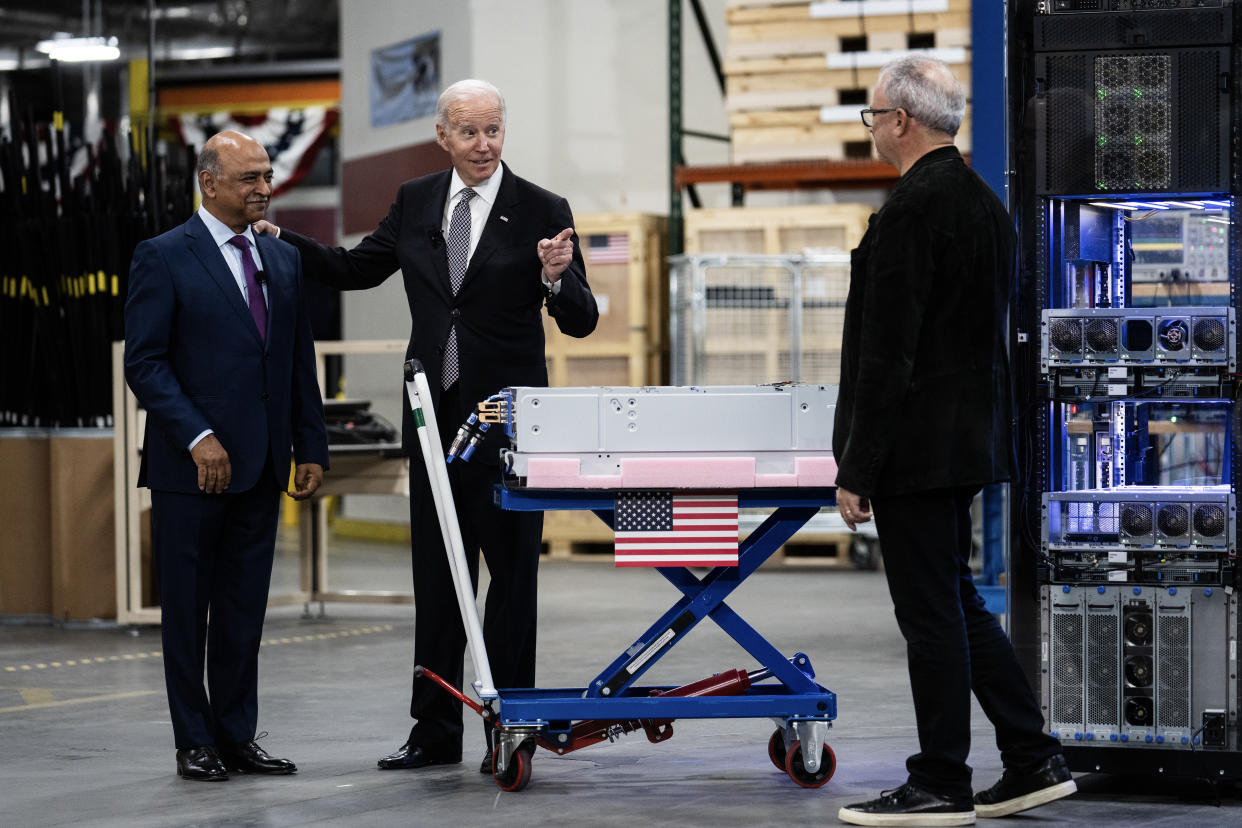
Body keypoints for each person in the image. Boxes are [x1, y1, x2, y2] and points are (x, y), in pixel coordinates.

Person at [254, 78, 598, 774]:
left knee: (511, 583)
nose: (483, 145)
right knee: (439, 584)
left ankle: (512, 726)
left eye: (494, 130)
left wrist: (559, 279)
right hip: (435, 426)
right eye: (468, 132)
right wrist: (278, 238)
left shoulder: (542, 209)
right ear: (443, 136)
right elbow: (354, 270)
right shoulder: (416, 201)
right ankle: (434, 732)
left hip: (508, 432)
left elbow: (582, 319)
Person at [833, 57, 1076, 826]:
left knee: (930, 614)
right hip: (967, 440)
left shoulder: (912, 209)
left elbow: (888, 354)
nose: (872, 129)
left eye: (873, 116)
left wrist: (857, 466)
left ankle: (940, 780)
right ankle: (1032, 758)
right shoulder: (984, 204)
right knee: (958, 601)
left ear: (901, 120)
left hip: (916, 451)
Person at [124, 130, 329, 782]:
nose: (263, 189)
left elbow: (296, 362)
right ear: (208, 184)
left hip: (263, 465)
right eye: (249, 178)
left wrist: (311, 444)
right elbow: (146, 363)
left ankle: (237, 735)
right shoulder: (163, 256)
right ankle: (194, 739)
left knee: (243, 610)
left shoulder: (282, 259)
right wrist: (196, 435)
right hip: (191, 471)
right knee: (187, 611)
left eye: (266, 175)